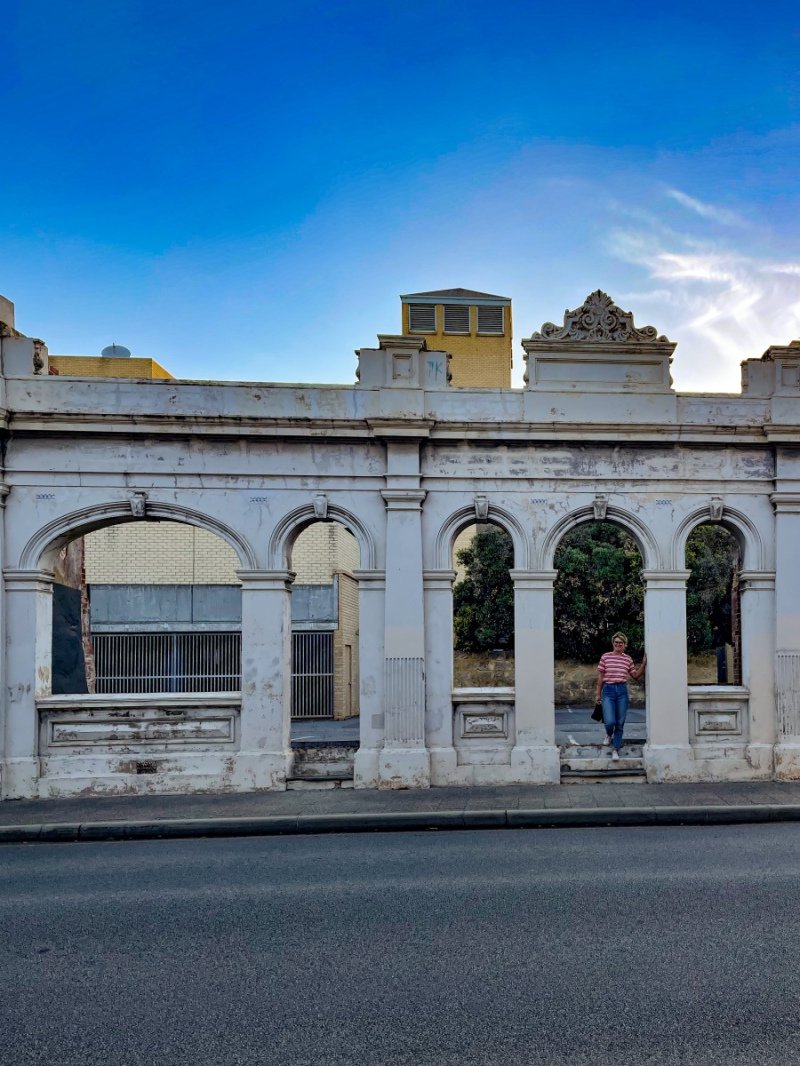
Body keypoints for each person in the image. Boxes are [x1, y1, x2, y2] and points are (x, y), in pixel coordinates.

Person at [594, 632, 646, 761]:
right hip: (608, 690)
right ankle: (608, 734)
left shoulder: (627, 659)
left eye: (621, 643)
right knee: (610, 721)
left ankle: (615, 749)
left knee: (620, 723)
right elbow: (600, 677)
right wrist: (597, 693)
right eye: (616, 642)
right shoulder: (605, 657)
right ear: (613, 643)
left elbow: (635, 675)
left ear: (625, 645)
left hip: (622, 691)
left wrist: (643, 665)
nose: (618, 644)